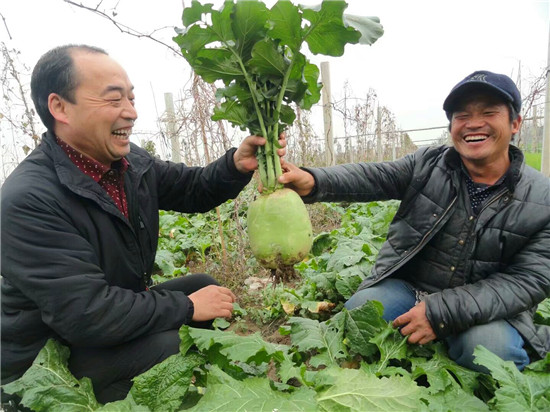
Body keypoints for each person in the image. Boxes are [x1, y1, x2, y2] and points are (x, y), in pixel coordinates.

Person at [0, 44, 284, 404]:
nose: (131, 113)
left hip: (103, 323)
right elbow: (87, 313)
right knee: (171, 347)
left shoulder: (129, 163)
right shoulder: (29, 198)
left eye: (131, 99)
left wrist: (235, 165)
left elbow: (192, 189)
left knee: (202, 286)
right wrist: (186, 307)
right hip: (46, 360)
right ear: (60, 107)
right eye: (114, 99)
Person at [279, 70, 550, 372]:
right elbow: (374, 177)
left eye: (488, 113)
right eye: (462, 116)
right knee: (362, 313)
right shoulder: (428, 165)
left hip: (487, 309)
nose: (473, 124)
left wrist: (441, 312)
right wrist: (313, 180)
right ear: (452, 126)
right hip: (413, 289)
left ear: (515, 123)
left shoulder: (543, 198)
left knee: (491, 351)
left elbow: (528, 280)